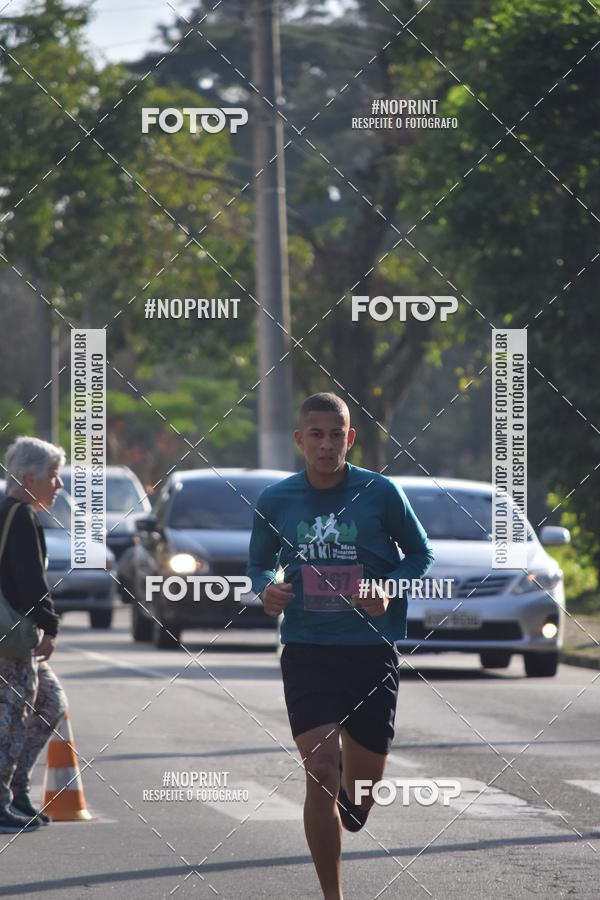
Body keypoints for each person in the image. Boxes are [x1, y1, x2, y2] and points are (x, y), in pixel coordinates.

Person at [247, 393, 434, 900]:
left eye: (337, 434)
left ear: (350, 438)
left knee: (360, 799)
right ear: (299, 440)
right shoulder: (276, 501)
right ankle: (334, 896)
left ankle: (357, 793)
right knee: (321, 769)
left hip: (370, 651)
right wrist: (267, 589)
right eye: (317, 434)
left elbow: (421, 554)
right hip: (308, 648)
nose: (327, 445)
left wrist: (388, 587)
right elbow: (259, 565)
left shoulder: (380, 492)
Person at [0, 436, 68, 832]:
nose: (58, 485)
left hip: (14, 636)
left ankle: (16, 790)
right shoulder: (19, 515)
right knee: (11, 717)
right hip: (12, 639)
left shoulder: (12, 511)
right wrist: (51, 624)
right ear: (28, 478)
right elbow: (30, 583)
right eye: (53, 476)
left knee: (50, 702)